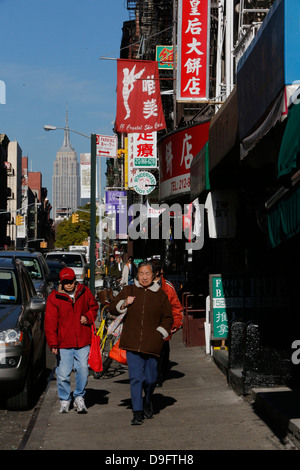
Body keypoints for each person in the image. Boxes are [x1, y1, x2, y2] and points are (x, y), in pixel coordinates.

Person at [109, 261, 173, 425]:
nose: (144, 277)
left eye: (148, 274)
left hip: (152, 345)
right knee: (136, 378)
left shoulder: (160, 295)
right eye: (141, 273)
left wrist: (160, 334)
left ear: (154, 276)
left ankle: (147, 401)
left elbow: (168, 318)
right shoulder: (128, 290)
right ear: (137, 275)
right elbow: (111, 308)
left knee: (151, 380)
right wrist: (124, 303)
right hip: (132, 343)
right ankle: (137, 412)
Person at [45, 267, 99, 414]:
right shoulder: (54, 297)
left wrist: (87, 317)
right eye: (66, 282)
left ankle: (79, 397)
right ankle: (64, 400)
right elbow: (50, 322)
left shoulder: (84, 291)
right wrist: (53, 343)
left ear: (76, 280)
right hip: (63, 342)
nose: (69, 284)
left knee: (83, 369)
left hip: (82, 340)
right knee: (63, 373)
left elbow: (94, 307)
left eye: (71, 281)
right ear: (61, 282)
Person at [152, 259, 183, 387]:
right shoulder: (141, 286)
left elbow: (176, 308)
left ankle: (159, 377)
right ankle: (153, 376)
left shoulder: (168, 287)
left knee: (162, 353)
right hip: (148, 327)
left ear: (158, 272)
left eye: (151, 271)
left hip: (163, 327)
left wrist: (174, 325)